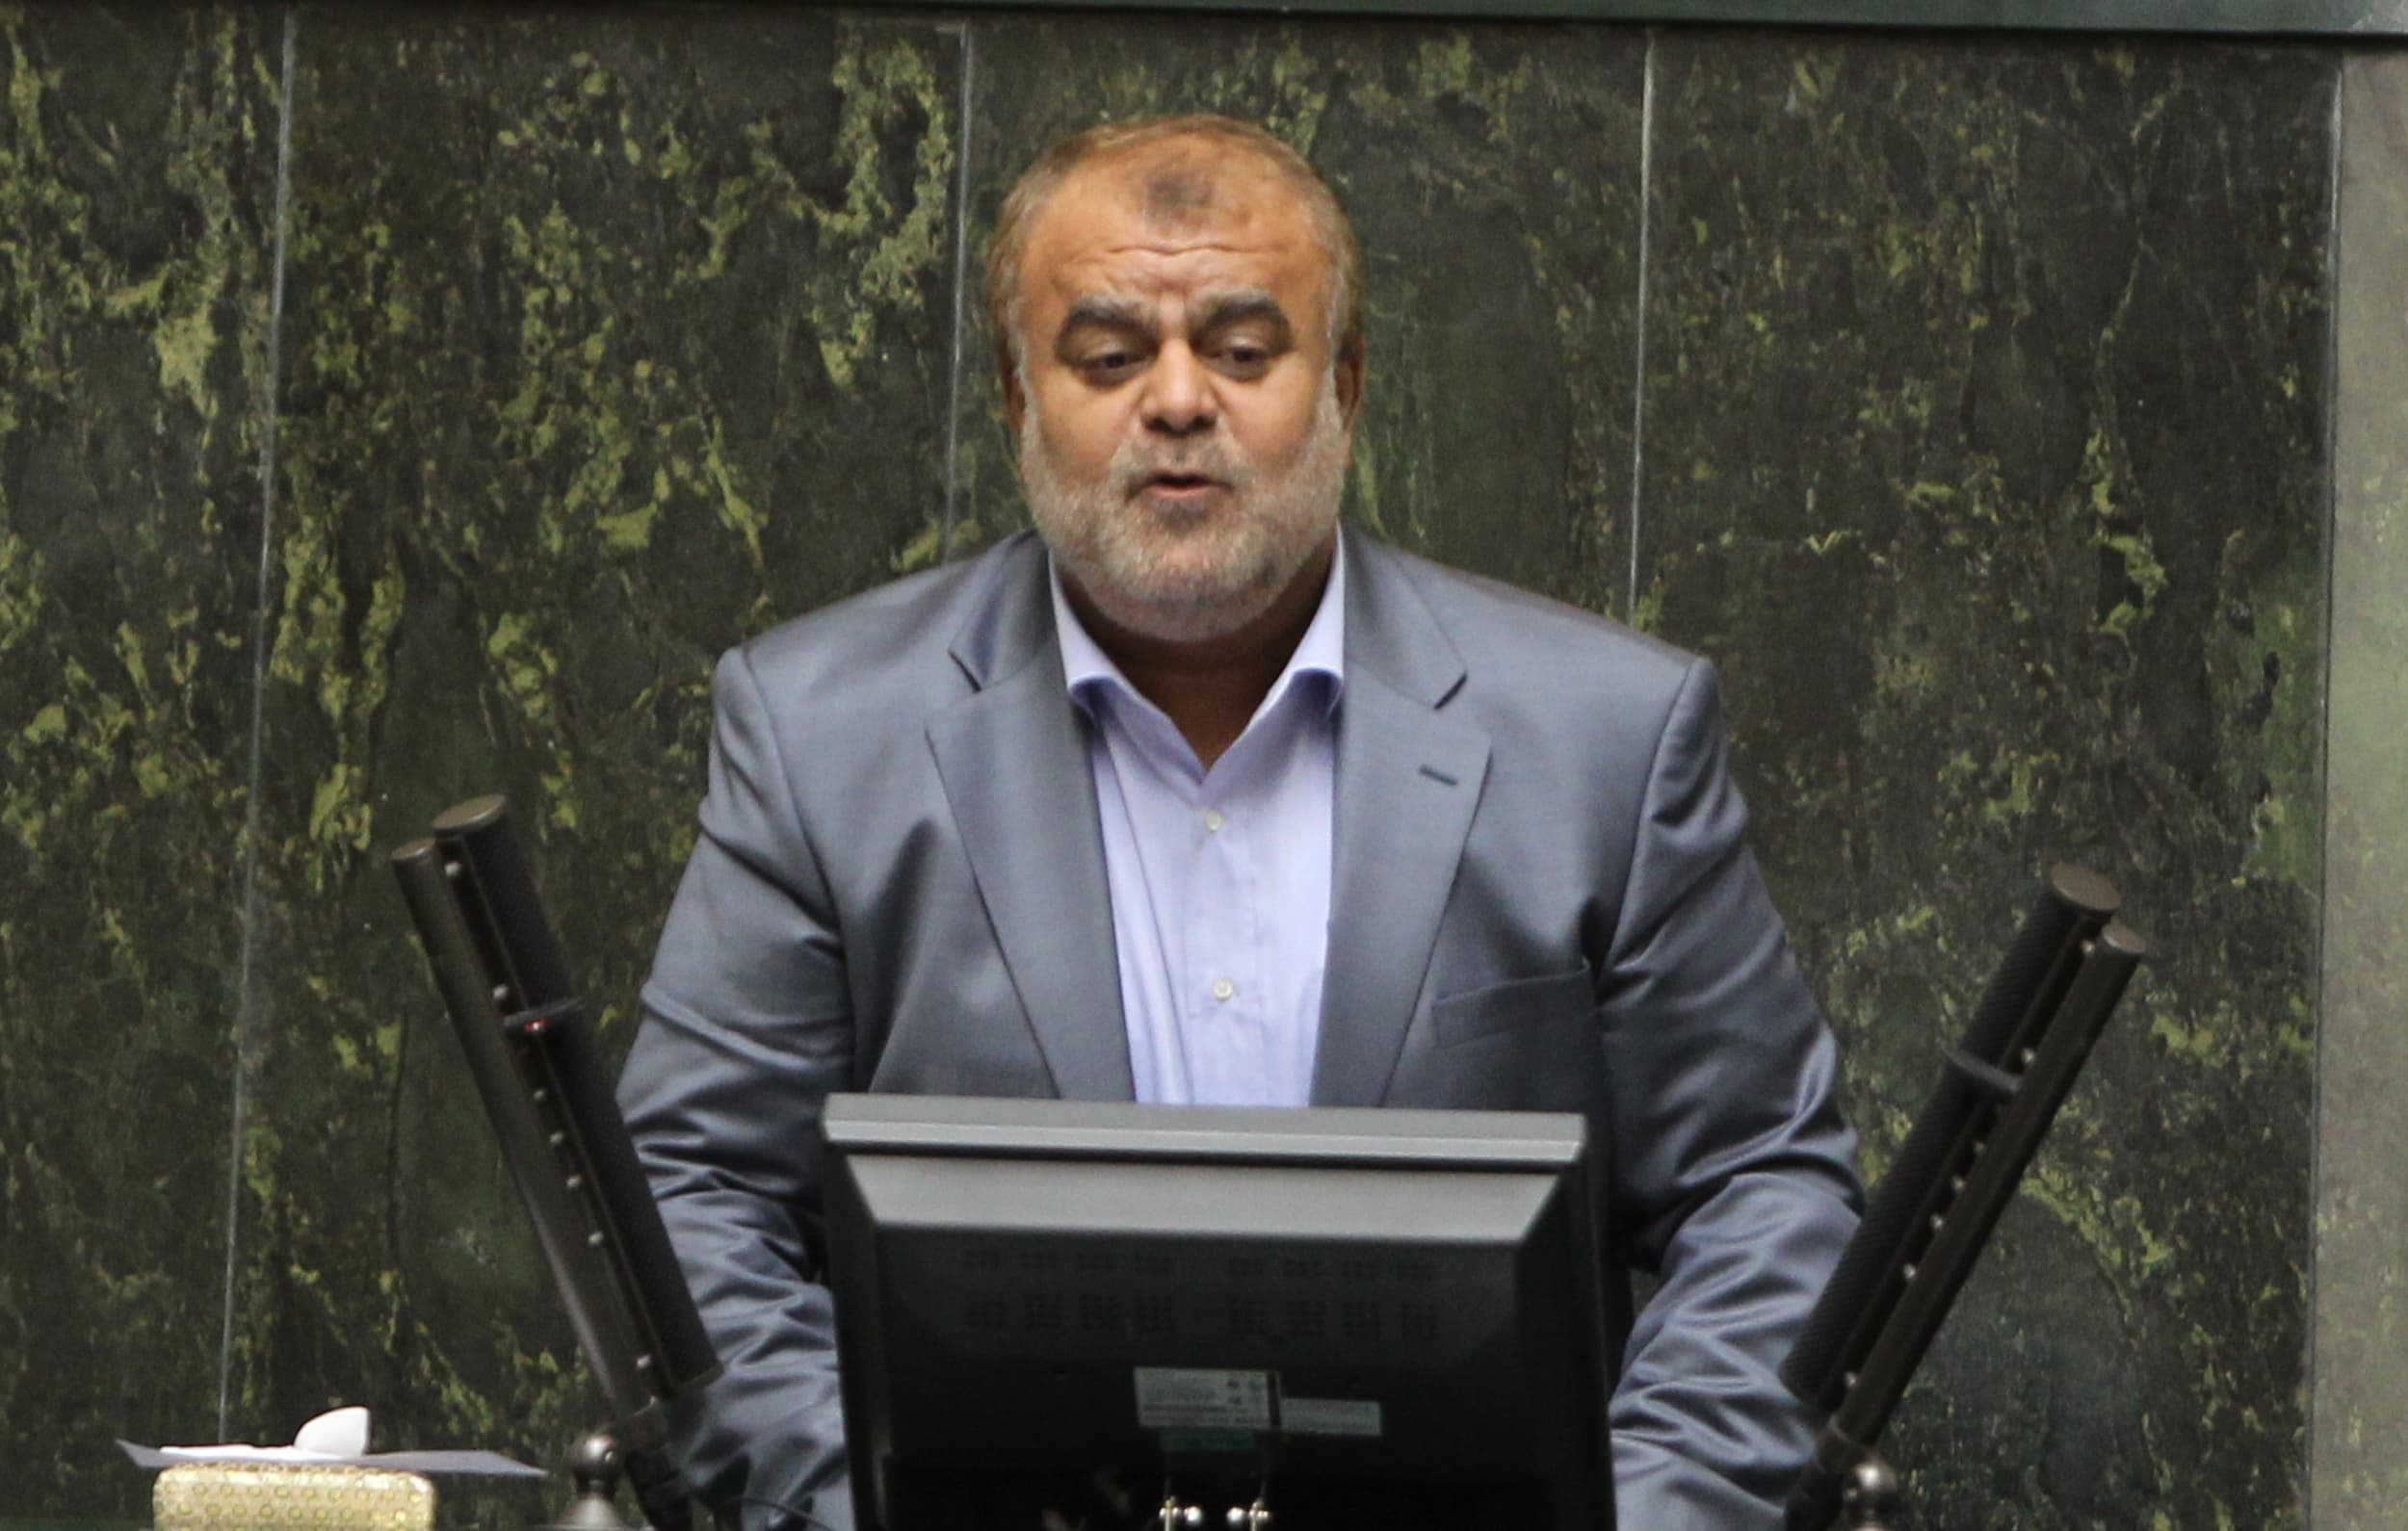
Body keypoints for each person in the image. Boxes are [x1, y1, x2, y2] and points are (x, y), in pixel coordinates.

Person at [618, 113, 1861, 1531]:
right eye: (1107, 355)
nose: (1176, 400)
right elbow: (687, 1203)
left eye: (1245, 348)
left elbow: (1767, 1195)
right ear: (1017, 400)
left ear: (1347, 385)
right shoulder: (821, 736)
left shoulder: (1605, 740)